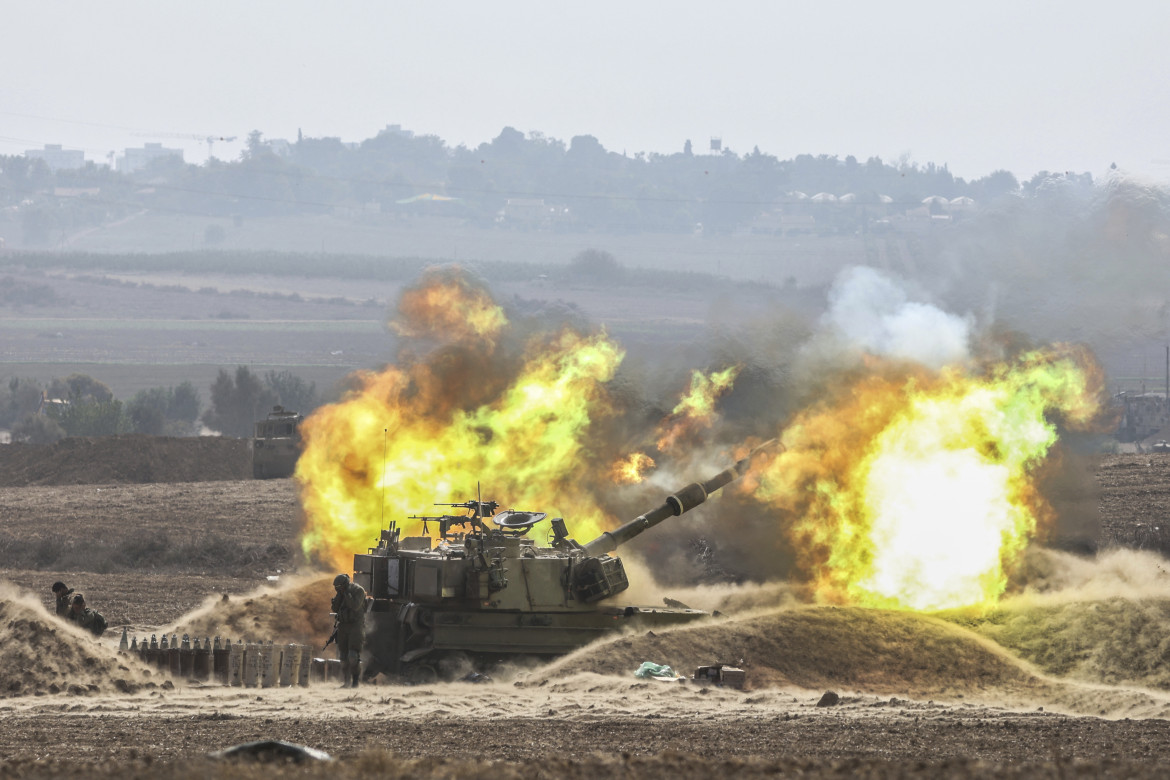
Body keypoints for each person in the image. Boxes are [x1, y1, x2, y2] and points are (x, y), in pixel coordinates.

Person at [330, 573, 367, 688]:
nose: (338, 589)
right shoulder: (340, 593)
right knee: (343, 657)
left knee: (353, 656)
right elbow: (335, 608)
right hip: (343, 626)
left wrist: (346, 594)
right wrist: (339, 596)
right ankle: (346, 681)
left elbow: (354, 606)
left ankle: (355, 682)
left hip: (356, 626)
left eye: (340, 587)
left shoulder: (358, 590)